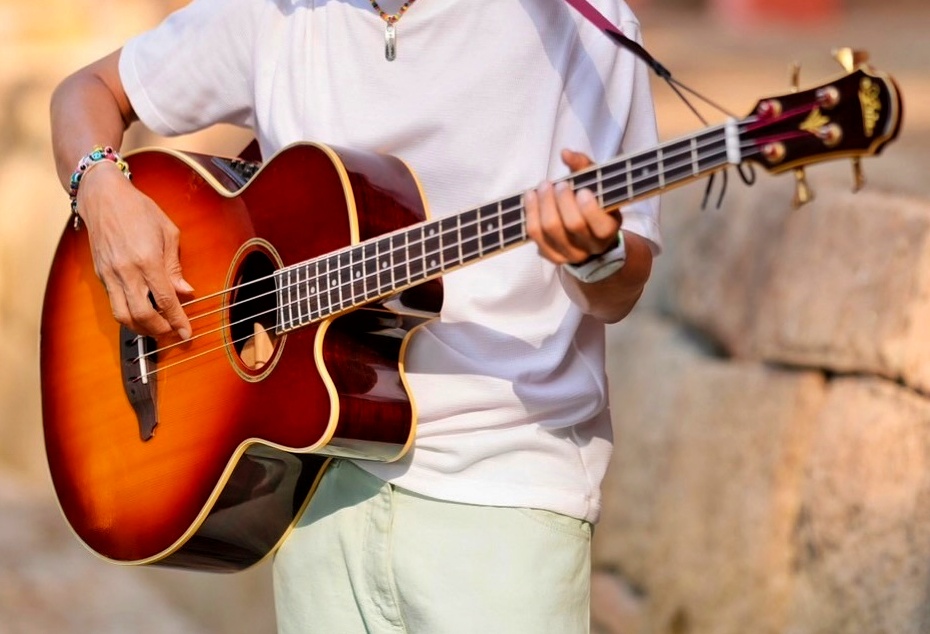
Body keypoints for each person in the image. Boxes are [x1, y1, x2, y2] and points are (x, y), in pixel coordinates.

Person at [50, 0, 661, 631]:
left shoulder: (579, 23)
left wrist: (595, 254)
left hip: (504, 493)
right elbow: (86, 91)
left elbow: (619, 291)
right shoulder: (280, 14)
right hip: (314, 478)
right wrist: (99, 189)